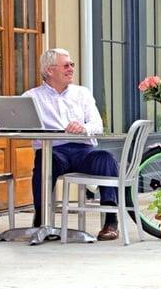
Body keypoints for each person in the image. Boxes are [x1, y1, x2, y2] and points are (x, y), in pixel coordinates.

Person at [23, 48, 120, 241]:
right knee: (43, 159)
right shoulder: (31, 97)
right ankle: (41, 218)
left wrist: (83, 127)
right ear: (49, 70)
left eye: (72, 65)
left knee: (105, 159)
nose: (71, 69)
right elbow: (22, 128)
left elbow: (97, 125)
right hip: (54, 150)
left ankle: (111, 221)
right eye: (66, 65)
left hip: (83, 150)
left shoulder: (82, 93)